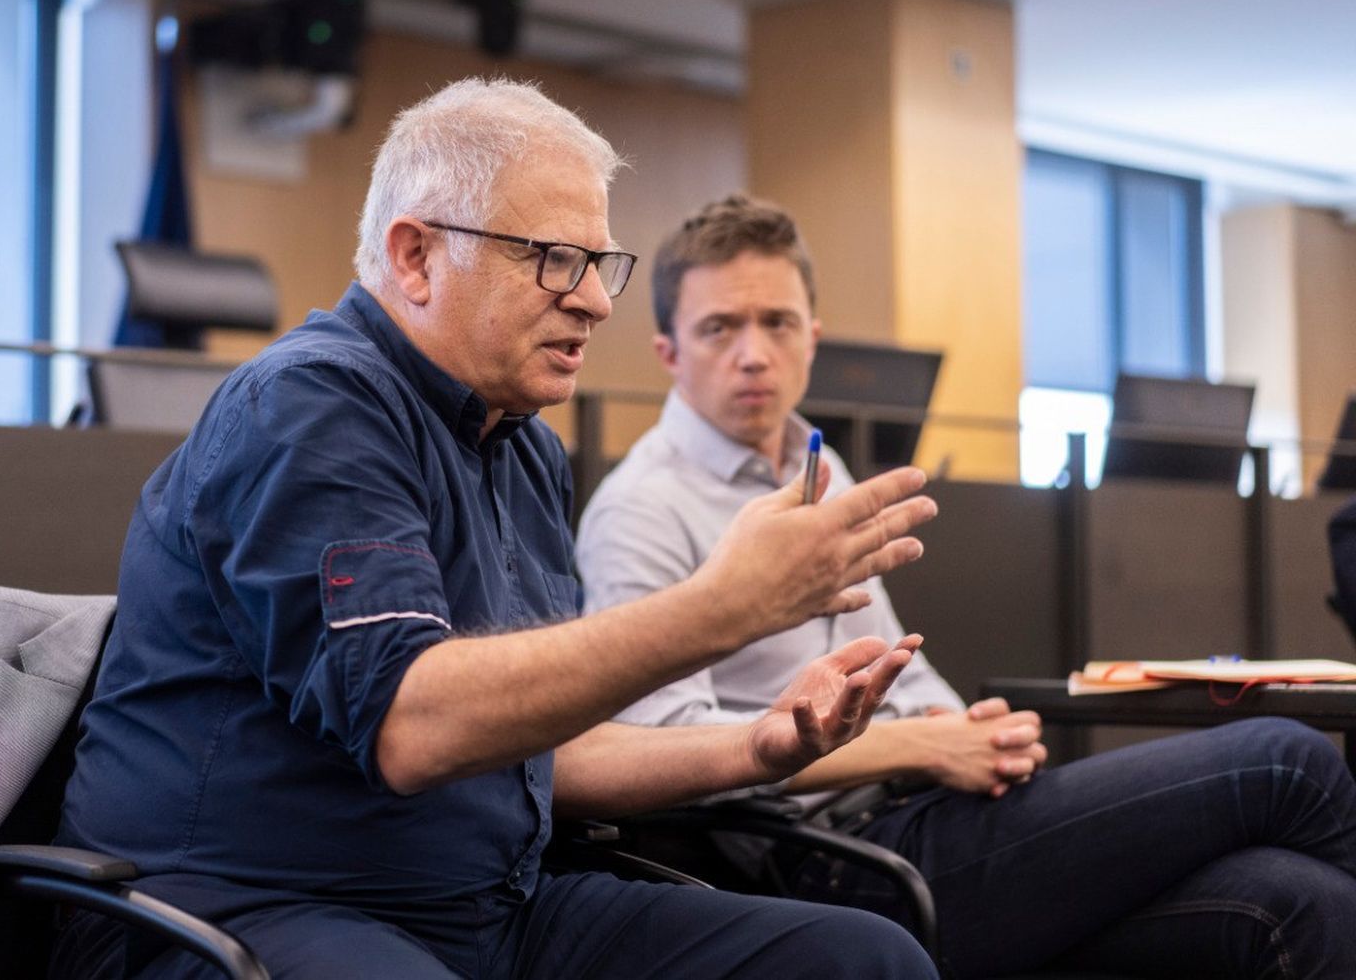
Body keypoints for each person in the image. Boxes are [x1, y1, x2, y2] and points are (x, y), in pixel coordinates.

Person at [52, 81, 944, 979]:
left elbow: (547, 750)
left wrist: (758, 746)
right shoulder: (309, 407)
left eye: (601, 263)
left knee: (862, 959)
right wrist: (722, 607)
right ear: (415, 257)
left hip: (481, 909)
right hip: (241, 907)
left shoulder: (523, 451)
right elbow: (413, 724)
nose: (595, 300)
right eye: (556, 258)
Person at [575, 192, 1356, 980]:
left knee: (1300, 903)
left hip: (923, 810)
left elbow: (888, 659)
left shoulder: (816, 465)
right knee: (1286, 759)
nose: (752, 353)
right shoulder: (642, 507)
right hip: (832, 855)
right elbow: (663, 747)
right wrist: (921, 744)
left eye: (776, 323)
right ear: (669, 352)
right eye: (719, 328)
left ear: (812, 338)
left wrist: (963, 728)